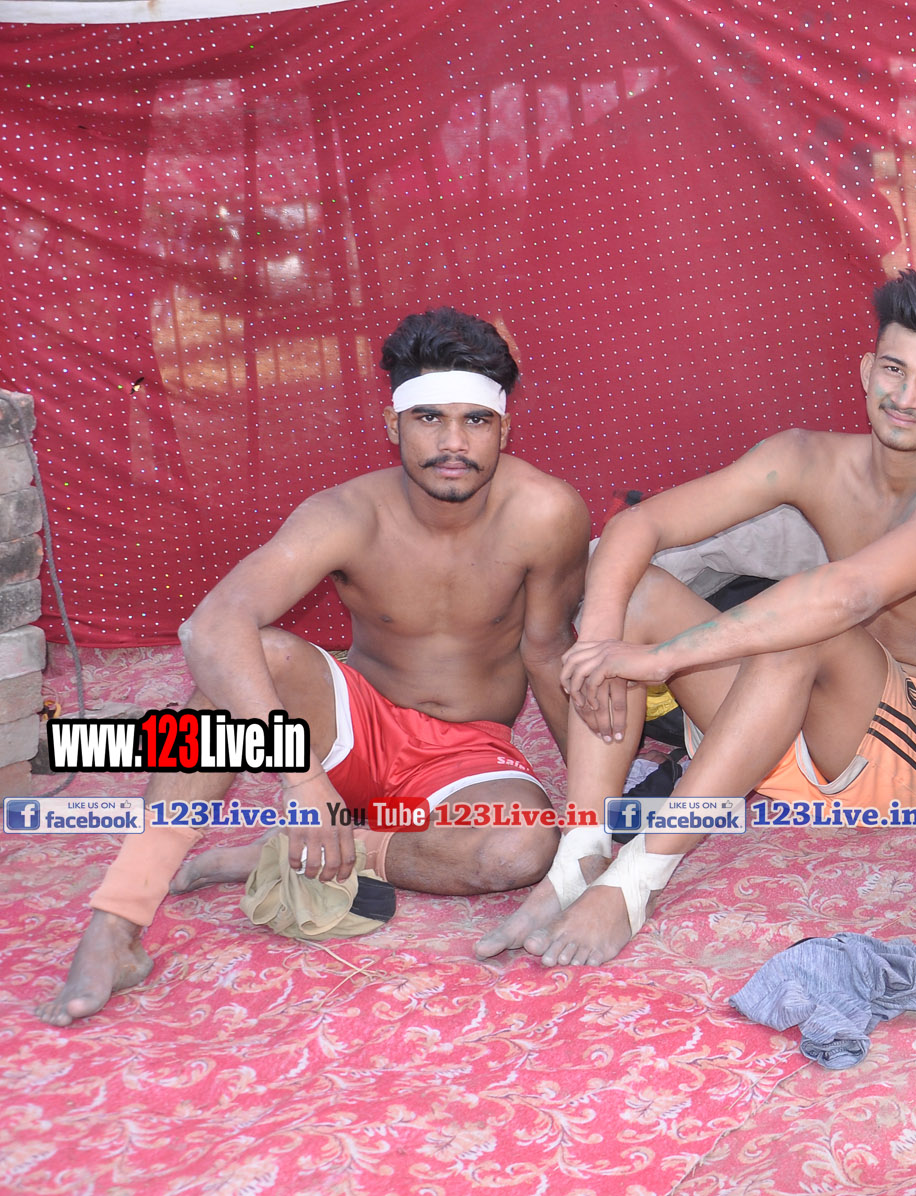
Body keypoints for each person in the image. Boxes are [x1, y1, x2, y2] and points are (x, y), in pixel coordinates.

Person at [37, 308, 591, 1026]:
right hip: (345, 733)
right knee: (253, 652)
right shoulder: (346, 514)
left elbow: (546, 653)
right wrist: (301, 781)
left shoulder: (546, 513)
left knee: (520, 848)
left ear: (504, 429)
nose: (453, 443)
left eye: (475, 421)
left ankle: (324, 848)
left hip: (467, 753)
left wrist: (593, 815)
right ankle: (117, 922)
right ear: (393, 424)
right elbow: (211, 624)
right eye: (429, 418)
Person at [475, 269, 916, 968]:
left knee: (809, 627)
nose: (905, 398)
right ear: (866, 370)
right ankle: (581, 854)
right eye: (894, 370)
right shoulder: (807, 457)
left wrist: (663, 660)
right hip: (784, 718)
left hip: (903, 754)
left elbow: (850, 594)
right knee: (637, 595)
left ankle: (636, 879)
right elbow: (641, 525)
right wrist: (603, 641)